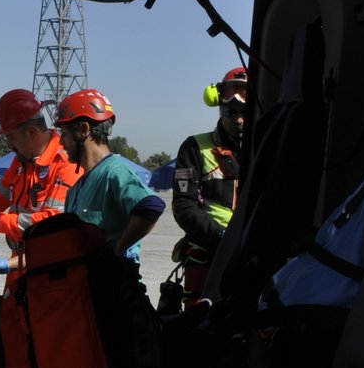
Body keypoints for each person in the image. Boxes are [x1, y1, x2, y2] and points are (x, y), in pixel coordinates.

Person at [0, 88, 83, 281]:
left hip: (49, 270)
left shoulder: (65, 163)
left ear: (31, 132)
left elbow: (53, 222)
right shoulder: (22, 161)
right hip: (19, 262)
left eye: (11, 138)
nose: (9, 146)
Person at [53, 88, 165, 261]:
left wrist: (117, 251)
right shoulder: (76, 189)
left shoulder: (114, 172)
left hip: (115, 284)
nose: (61, 142)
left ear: (84, 129)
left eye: (64, 134)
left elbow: (151, 206)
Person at [171, 66, 245, 302]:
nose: (239, 119)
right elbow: (184, 205)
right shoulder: (194, 147)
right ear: (220, 108)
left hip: (250, 253)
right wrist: (223, 237)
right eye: (231, 112)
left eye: (245, 112)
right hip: (209, 253)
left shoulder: (266, 147)